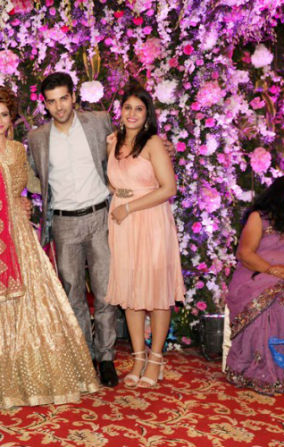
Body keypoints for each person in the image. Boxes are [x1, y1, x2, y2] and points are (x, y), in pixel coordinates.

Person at [0, 86, 99, 409]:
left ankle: (36, 376)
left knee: (35, 298)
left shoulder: (19, 150)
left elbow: (34, 183)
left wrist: (58, 184)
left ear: (11, 117)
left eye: (4, 114)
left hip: (19, 232)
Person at [27, 72, 119, 387]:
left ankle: (106, 357)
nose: (59, 106)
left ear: (73, 97)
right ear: (45, 105)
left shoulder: (99, 123)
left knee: (105, 291)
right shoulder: (37, 137)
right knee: (72, 292)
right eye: (52, 101)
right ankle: (85, 355)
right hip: (64, 223)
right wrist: (33, 192)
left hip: (100, 217)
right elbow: (30, 174)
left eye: (64, 98)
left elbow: (123, 154)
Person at [104, 86, 185, 388]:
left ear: (147, 114)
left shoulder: (153, 143)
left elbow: (168, 188)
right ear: (121, 111)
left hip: (150, 221)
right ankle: (138, 358)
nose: (132, 113)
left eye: (139, 108)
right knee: (131, 291)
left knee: (156, 291)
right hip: (122, 224)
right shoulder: (113, 142)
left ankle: (156, 359)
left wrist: (129, 206)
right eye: (128, 107)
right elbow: (114, 182)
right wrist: (120, 198)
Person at [225, 174, 284, 394]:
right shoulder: (260, 218)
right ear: (283, 194)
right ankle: (252, 368)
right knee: (267, 302)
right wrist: (272, 270)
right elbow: (245, 253)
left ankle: (276, 369)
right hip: (255, 274)